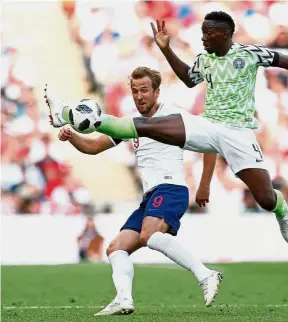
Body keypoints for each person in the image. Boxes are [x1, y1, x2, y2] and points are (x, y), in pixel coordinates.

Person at [45, 12, 288, 245]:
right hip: (206, 125)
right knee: (144, 126)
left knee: (265, 199)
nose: (202, 39)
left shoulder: (249, 54)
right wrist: (166, 50)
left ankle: (281, 209)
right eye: (202, 33)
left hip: (239, 133)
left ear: (225, 35)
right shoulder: (205, 59)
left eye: (208, 34)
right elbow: (189, 79)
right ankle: (72, 115)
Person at [50, 67, 222, 316]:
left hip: (171, 188)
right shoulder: (131, 124)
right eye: (135, 91)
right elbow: (94, 147)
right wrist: (72, 136)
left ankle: (206, 274)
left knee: (148, 235)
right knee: (116, 248)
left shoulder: (174, 115)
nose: (139, 96)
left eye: (144, 90)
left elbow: (211, 143)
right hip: (150, 196)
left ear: (156, 92)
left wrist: (204, 184)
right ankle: (124, 299)